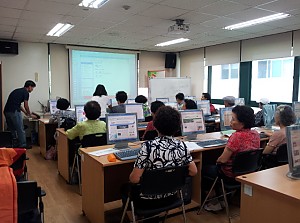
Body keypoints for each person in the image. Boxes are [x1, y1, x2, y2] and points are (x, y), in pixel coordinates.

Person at [129, 106, 197, 206]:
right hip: (173, 195)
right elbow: (193, 171)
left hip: (147, 198)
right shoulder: (182, 145)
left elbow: (134, 179)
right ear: (178, 127)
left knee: (124, 187)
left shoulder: (147, 147)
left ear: (155, 125)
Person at [203, 105, 260, 211]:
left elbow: (223, 160)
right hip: (249, 172)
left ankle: (214, 199)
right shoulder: (255, 134)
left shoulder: (236, 137)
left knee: (204, 167)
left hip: (230, 174)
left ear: (242, 123)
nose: (231, 121)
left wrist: (216, 160)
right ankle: (223, 197)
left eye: (233, 119)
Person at [4, 80, 36, 148]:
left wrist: (25, 112)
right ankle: (23, 145)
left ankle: (15, 144)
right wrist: (30, 115)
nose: (32, 89)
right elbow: (26, 105)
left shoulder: (17, 91)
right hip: (14, 111)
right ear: (29, 87)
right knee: (20, 129)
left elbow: (18, 104)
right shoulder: (26, 93)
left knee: (12, 129)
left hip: (7, 111)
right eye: (32, 88)